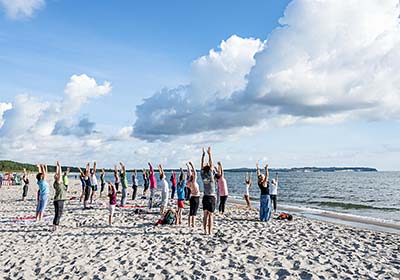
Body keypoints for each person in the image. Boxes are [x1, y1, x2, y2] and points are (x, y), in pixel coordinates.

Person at [201, 147, 216, 235]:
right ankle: (210, 231)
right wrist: (209, 154)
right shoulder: (211, 176)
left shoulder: (203, 175)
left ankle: (205, 231)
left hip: (205, 196)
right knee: (211, 215)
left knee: (205, 215)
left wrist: (203, 156)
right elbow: (211, 164)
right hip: (211, 197)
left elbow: (202, 165)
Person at [53, 161, 67, 231]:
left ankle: (54, 226)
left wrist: (57, 167)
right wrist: (60, 166)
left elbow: (57, 174)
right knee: (58, 214)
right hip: (59, 200)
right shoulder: (58, 182)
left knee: (57, 214)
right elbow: (59, 175)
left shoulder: (56, 182)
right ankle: (56, 226)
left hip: (57, 200)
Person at [186, 161, 200, 228]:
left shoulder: (189, 183)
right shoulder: (194, 182)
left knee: (191, 211)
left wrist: (188, 167)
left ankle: (189, 224)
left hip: (192, 197)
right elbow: (195, 172)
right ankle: (193, 224)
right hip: (196, 197)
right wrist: (192, 165)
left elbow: (190, 173)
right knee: (194, 212)